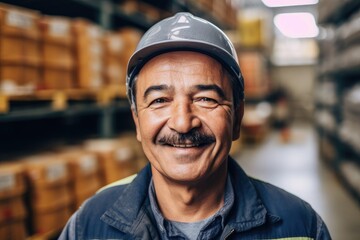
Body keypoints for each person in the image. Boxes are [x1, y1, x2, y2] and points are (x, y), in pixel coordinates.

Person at [59, 12, 331, 240]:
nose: (182, 122)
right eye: (160, 100)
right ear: (137, 121)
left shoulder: (299, 226)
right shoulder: (89, 226)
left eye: (206, 99)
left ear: (237, 117)